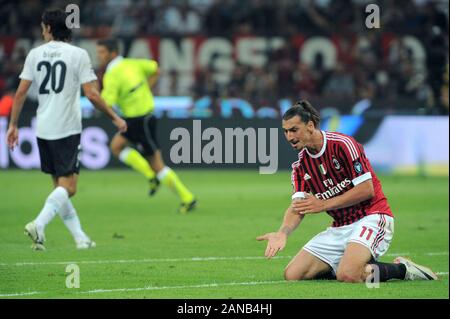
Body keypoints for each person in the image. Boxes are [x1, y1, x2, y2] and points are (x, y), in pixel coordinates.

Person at [257, 100, 438, 282]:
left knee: (349, 274)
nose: (289, 136)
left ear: (310, 126)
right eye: (285, 131)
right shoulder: (300, 166)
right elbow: (298, 207)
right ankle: (352, 262)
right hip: (341, 226)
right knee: (293, 274)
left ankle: (402, 270)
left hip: (372, 217)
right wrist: (282, 233)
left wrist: (323, 204)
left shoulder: (342, 144)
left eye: (294, 130)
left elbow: (367, 190)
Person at [6, 9, 127, 250]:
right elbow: (92, 94)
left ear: (50, 28)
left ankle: (80, 238)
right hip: (67, 128)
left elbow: (20, 93)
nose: (42, 31)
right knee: (69, 188)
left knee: (59, 189)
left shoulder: (35, 54)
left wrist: (13, 125)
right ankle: (39, 224)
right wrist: (114, 116)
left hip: (43, 127)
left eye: (43, 27)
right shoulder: (78, 54)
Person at [95, 38, 196, 213]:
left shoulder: (112, 74)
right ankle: (151, 176)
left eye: (102, 52)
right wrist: (146, 89)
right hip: (142, 117)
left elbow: (106, 102)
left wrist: (96, 92)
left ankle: (187, 197)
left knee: (157, 164)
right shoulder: (132, 63)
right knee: (117, 146)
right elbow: (156, 68)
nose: (99, 56)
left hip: (138, 120)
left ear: (112, 53)